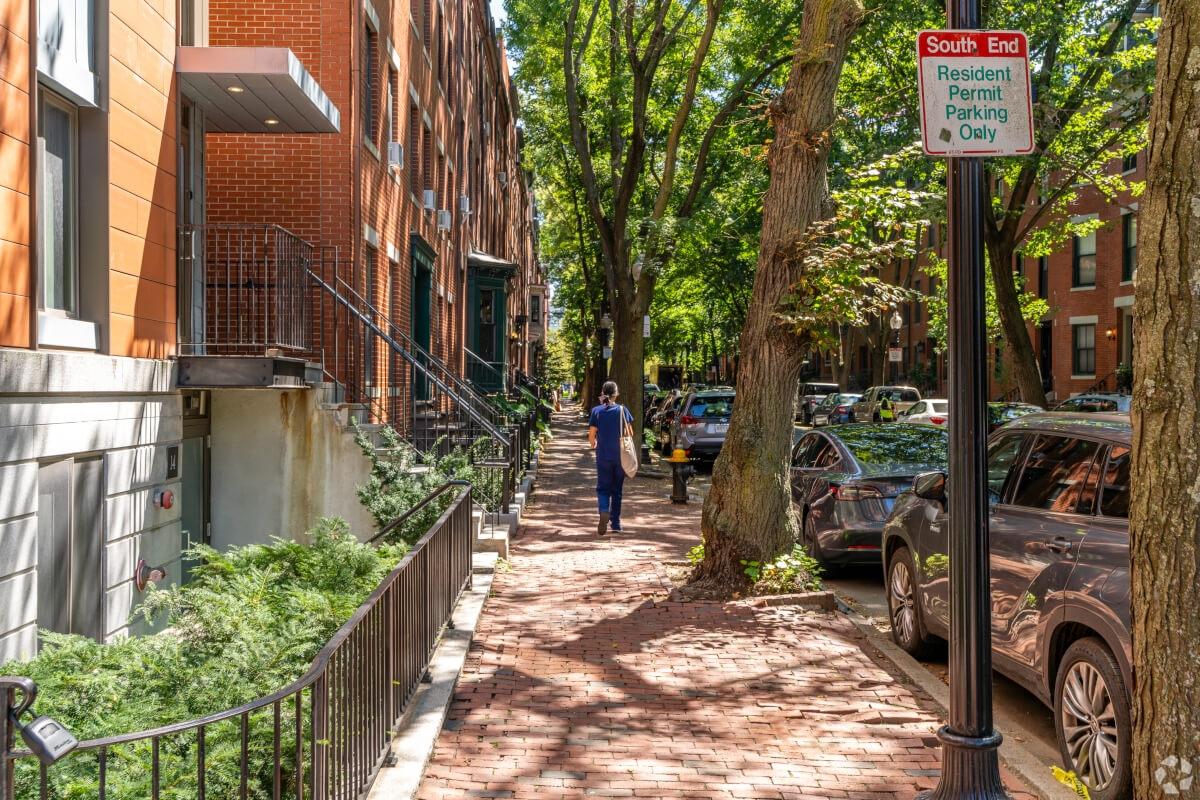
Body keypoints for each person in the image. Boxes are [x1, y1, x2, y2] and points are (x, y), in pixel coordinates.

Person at [588, 380, 634, 535]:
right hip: (620, 456)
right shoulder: (622, 410)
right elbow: (630, 433)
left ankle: (603, 510)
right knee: (617, 490)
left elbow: (592, 434)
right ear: (616, 393)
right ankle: (616, 524)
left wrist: (593, 444)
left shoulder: (596, 411)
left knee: (602, 488)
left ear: (603, 392)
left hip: (603, 455)